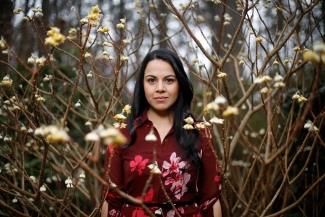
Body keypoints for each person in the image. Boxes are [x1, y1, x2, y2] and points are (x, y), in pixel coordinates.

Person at [102, 49, 222, 217]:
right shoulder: (120, 134)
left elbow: (210, 199)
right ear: (142, 85)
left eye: (169, 80)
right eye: (151, 80)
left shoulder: (200, 133)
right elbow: (111, 201)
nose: (160, 88)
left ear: (179, 83)